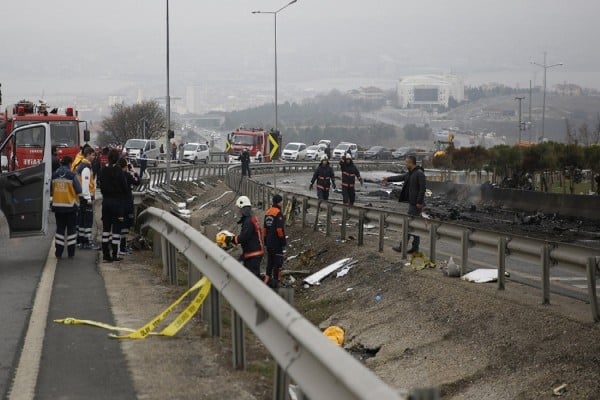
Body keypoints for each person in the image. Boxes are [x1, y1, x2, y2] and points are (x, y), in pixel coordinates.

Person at [382, 154, 426, 254]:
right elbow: (400, 177)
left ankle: (403, 247)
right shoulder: (411, 173)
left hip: (416, 204)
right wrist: (388, 179)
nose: (405, 164)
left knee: (409, 225)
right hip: (412, 203)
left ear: (411, 163)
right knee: (414, 226)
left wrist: (419, 202)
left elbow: (422, 189)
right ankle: (415, 248)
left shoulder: (419, 173)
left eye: (406, 162)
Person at [99, 149, 130, 262]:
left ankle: (105, 254)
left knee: (106, 229)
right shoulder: (118, 171)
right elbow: (125, 188)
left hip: (106, 202)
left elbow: (100, 185)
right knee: (117, 229)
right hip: (117, 203)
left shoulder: (103, 170)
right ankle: (115, 254)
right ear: (117, 158)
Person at [51, 156, 82, 258]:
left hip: (57, 207)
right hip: (70, 207)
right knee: (71, 230)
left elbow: (51, 190)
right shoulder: (71, 175)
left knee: (60, 229)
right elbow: (79, 190)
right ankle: (71, 253)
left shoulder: (54, 175)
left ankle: (58, 252)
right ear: (69, 163)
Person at [225, 196, 264, 278]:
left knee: (254, 279)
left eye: (239, 208)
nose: (239, 211)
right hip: (253, 252)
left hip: (253, 254)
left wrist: (232, 239)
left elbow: (244, 238)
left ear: (243, 208)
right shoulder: (251, 219)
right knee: (251, 276)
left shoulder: (248, 222)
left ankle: (273, 285)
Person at [76, 146, 98, 249]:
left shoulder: (81, 165)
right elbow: (85, 184)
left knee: (82, 219)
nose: (94, 157)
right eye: (93, 155)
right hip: (86, 198)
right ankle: (87, 242)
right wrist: (89, 198)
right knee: (88, 220)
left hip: (81, 197)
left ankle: (81, 241)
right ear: (88, 155)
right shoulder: (86, 167)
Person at [263, 194, 287, 289]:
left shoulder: (268, 212)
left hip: (269, 242)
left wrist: (265, 241)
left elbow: (264, 229)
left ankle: (267, 280)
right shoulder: (278, 213)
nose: (282, 203)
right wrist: (283, 241)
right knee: (277, 263)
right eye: (281, 201)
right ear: (279, 202)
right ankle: (276, 283)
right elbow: (279, 229)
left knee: (270, 263)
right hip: (277, 243)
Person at [118, 157, 140, 256]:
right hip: (127, 203)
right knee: (126, 225)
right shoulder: (127, 175)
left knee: (119, 225)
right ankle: (122, 247)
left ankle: (119, 246)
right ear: (125, 166)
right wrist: (134, 171)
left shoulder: (116, 175)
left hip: (118, 203)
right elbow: (138, 182)